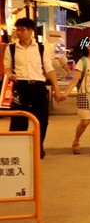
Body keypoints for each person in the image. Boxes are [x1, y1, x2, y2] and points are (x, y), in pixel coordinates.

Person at [3, 17, 66, 158]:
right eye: (17, 30)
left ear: (30, 31)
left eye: (22, 30)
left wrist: (56, 89)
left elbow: (49, 69)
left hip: (38, 86)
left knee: (42, 120)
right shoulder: (11, 49)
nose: (19, 33)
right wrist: (10, 75)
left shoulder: (41, 48)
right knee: (18, 120)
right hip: (21, 87)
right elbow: (7, 67)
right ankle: (18, 151)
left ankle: (38, 147)